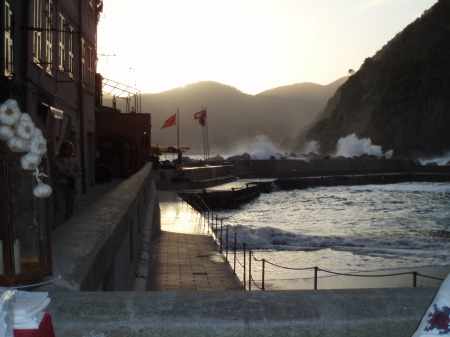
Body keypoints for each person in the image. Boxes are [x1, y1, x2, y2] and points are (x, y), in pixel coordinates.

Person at [53, 141, 81, 227]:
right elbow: (52, 172)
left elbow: (79, 172)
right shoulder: (56, 159)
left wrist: (71, 175)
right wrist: (59, 174)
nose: (67, 150)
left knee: (70, 206)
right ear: (62, 149)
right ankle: (58, 226)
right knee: (59, 206)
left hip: (70, 184)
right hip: (59, 184)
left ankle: (68, 225)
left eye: (69, 149)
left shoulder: (75, 160)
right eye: (65, 148)